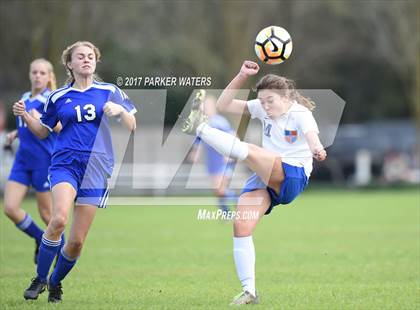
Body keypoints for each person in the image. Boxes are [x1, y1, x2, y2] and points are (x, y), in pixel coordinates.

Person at [183, 60, 326, 305]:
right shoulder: (261, 108)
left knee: (248, 150)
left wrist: (317, 148)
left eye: (270, 100)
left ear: (285, 97)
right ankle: (250, 291)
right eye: (262, 101)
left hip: (293, 174)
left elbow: (312, 137)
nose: (265, 106)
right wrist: (241, 75)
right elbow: (223, 104)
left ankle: (202, 129)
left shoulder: (300, 114)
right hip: (265, 176)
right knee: (241, 225)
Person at [13, 41, 137, 303]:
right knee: (58, 220)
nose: (86, 60)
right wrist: (25, 115)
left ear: (96, 61)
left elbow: (132, 124)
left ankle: (56, 282)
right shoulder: (58, 97)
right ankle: (40, 278)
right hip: (64, 163)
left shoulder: (109, 91)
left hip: (95, 168)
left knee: (77, 242)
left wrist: (120, 111)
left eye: (90, 56)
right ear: (69, 64)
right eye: (80, 57)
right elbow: (42, 131)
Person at [3, 58, 62, 264]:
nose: (38, 76)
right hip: (22, 161)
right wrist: (15, 133)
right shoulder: (25, 97)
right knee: (10, 208)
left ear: (49, 77)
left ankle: (62, 254)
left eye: (42, 73)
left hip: (43, 162)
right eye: (34, 72)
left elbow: (59, 128)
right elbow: (27, 126)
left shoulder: (51, 100)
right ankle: (39, 238)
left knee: (48, 215)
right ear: (29, 74)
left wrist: (40, 118)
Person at [188, 91, 236, 213]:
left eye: (208, 106)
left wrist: (230, 154)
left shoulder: (220, 121)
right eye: (204, 106)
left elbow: (232, 135)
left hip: (222, 160)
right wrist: (195, 153)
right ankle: (227, 213)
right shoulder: (203, 124)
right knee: (217, 190)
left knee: (220, 189)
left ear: (213, 107)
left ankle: (239, 201)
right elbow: (198, 141)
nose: (204, 108)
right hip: (212, 161)